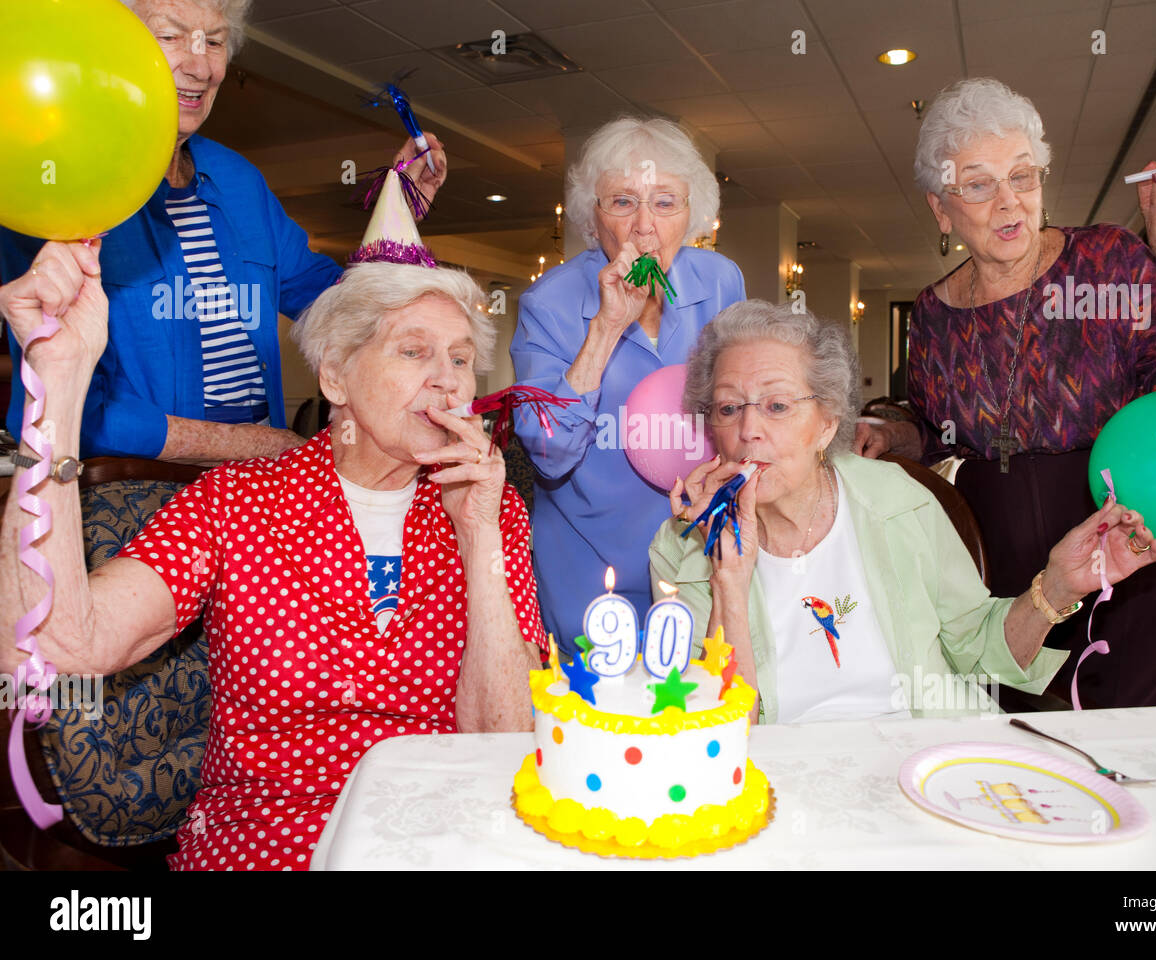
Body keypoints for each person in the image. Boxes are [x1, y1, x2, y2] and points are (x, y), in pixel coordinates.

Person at [0, 242, 544, 869]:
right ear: (335, 373)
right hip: (271, 844)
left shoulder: (488, 506)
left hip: (444, 838)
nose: (448, 379)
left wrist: (479, 539)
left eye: (460, 358)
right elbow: (52, 647)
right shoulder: (237, 502)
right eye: (415, 351)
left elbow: (503, 744)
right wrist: (60, 384)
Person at [856, 78, 1156, 709]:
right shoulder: (931, 314)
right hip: (1006, 570)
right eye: (978, 184)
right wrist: (893, 433)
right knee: (1025, 745)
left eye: (1023, 177)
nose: (1009, 202)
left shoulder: (1111, 261)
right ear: (941, 208)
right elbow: (932, 426)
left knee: (1130, 737)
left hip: (1134, 540)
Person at [650, 301, 1156, 723]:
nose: (749, 430)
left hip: (930, 754)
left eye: (777, 406)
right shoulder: (682, 546)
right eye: (728, 407)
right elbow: (711, 729)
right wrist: (729, 581)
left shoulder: (898, 498)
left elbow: (974, 648)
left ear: (828, 424)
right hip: (781, 780)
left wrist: (1058, 585)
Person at [1, 0, 447, 463]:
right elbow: (57, 410)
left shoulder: (240, 181)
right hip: (138, 499)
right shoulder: (60, 184)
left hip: (256, 495)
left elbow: (338, 306)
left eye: (213, 42)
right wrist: (254, 445)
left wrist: (398, 211)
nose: (199, 66)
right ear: (111, 48)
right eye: (170, 37)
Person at [510, 117, 744, 653]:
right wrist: (607, 328)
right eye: (622, 201)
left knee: (701, 713)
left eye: (665, 203)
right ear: (593, 216)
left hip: (699, 562)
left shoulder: (720, 282)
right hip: (589, 572)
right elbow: (548, 453)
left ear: (693, 215)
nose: (644, 226)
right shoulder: (549, 304)